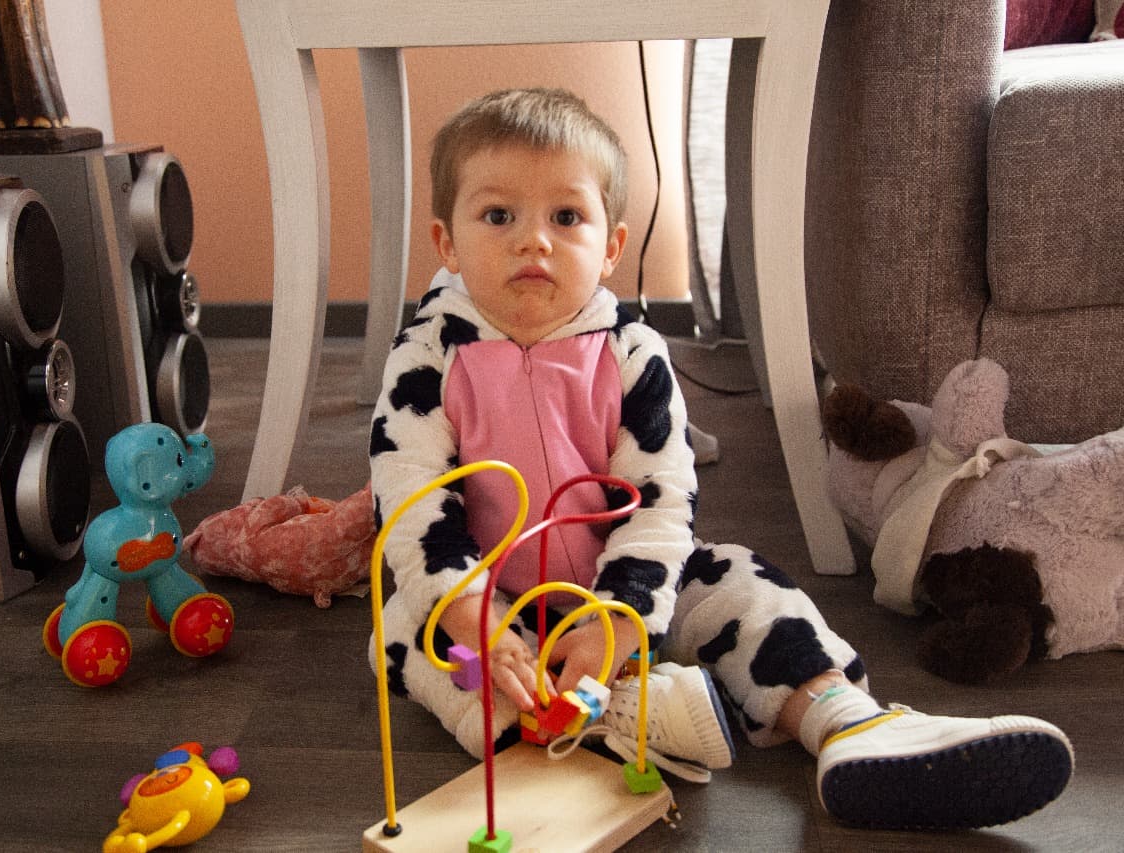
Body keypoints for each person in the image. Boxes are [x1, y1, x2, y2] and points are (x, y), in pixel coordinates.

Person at [367, 87, 1073, 830]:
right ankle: (578, 722)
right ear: (447, 243)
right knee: (402, 633)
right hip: (488, 599)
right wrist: (476, 612)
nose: (534, 241)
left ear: (611, 246)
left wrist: (622, 616)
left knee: (742, 579)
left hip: (624, 594)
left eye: (566, 218)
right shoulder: (427, 356)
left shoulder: (632, 354)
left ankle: (845, 721)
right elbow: (412, 500)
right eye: (499, 216)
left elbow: (662, 500)